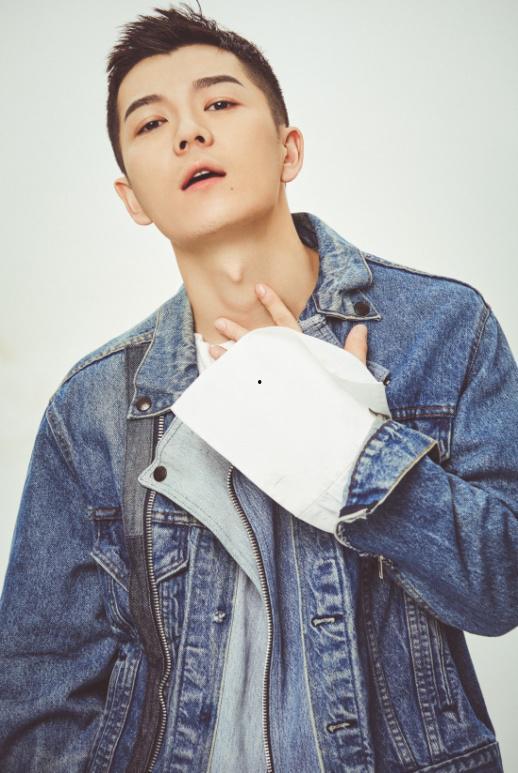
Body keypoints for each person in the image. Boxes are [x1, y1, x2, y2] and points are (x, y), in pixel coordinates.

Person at [0, 3, 516, 771]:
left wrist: (351, 448)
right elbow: (39, 700)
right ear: (133, 198)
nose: (188, 133)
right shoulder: (93, 406)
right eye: (152, 123)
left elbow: (502, 586)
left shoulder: (444, 327)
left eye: (219, 103)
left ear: (288, 149)